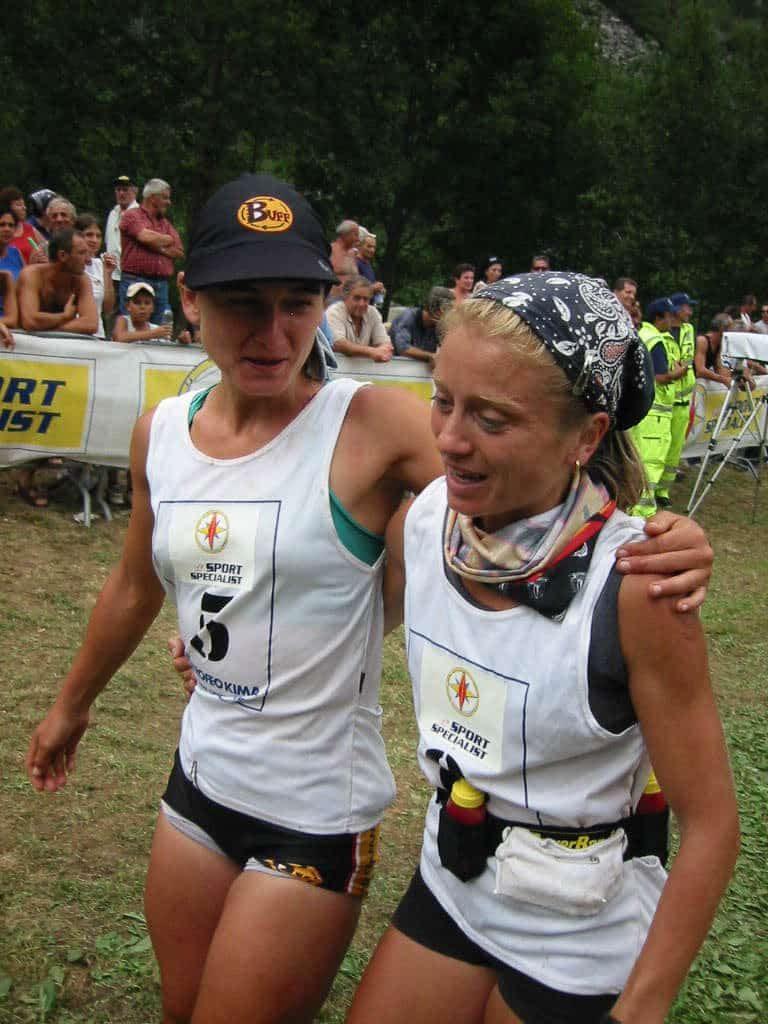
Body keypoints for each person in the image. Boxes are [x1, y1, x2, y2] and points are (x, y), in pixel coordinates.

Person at [26, 177, 711, 1024]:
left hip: (322, 812)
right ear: (189, 299)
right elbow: (143, 582)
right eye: (242, 302)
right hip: (219, 786)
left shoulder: (378, 428)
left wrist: (656, 534)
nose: (273, 331)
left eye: (300, 301)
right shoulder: (166, 433)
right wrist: (91, 698)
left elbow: (535, 476)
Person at [347, 272, 737, 1024]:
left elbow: (714, 824)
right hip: (455, 878)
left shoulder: (638, 586)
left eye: (491, 419)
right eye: (444, 400)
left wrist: (642, 1006)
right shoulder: (430, 518)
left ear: (585, 437)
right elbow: (373, 617)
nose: (450, 438)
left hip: (580, 927)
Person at [629, 298, 685, 516]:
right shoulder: (657, 340)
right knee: (650, 463)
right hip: (655, 416)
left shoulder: (642, 334)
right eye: (669, 315)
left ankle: (632, 504)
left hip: (643, 410)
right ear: (659, 317)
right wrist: (677, 373)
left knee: (636, 459)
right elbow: (661, 377)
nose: (673, 320)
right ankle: (642, 511)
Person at [119, 178, 184, 320]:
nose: (169, 202)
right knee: (131, 328)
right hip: (134, 281)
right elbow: (144, 237)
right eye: (165, 198)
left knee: (161, 332)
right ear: (153, 198)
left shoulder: (165, 223)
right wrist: (167, 239)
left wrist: (157, 247)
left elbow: (179, 250)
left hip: (161, 285)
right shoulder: (132, 215)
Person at [17, 228, 98, 335]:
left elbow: (90, 324)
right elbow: (30, 321)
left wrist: (46, 328)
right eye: (81, 253)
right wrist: (65, 317)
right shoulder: (32, 275)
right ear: (62, 255)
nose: (88, 260)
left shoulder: (81, 279)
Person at [658, 292, 697, 504]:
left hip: (683, 399)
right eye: (687, 307)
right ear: (677, 309)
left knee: (675, 448)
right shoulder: (660, 331)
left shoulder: (689, 329)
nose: (690, 311)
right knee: (658, 446)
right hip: (664, 400)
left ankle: (663, 490)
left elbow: (687, 359)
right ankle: (650, 486)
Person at [325, 274, 394, 360]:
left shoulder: (372, 312)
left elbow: (384, 342)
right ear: (345, 297)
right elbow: (338, 344)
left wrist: (384, 349)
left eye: (366, 299)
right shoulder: (334, 312)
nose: (362, 304)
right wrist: (372, 352)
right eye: (357, 298)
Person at [75, 213, 117, 338]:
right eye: (89, 235)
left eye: (98, 236)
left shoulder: (100, 264)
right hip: (72, 333)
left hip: (97, 335)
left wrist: (108, 273)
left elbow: (108, 309)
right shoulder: (68, 265)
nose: (94, 240)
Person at [389, 286, 454, 364]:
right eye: (446, 309)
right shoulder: (408, 317)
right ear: (436, 309)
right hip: (395, 368)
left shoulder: (439, 324)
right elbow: (403, 349)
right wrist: (430, 356)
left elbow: (450, 349)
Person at [104, 174, 139, 286]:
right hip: (111, 274)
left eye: (125, 190)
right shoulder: (113, 213)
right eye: (118, 190)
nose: (121, 193)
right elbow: (108, 242)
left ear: (134, 192)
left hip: (131, 276)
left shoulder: (139, 214)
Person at [0, 186, 48, 264]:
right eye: (19, 205)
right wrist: (31, 263)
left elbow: (48, 252)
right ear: (7, 207)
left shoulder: (30, 229)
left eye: (24, 204)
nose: (24, 208)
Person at [0, 205, 23, 326]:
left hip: (18, 321)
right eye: (2, 225)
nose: (7, 229)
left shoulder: (16, 253)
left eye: (11, 225)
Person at [694, 314, 732, 386]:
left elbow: (719, 369)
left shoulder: (719, 344)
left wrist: (733, 379)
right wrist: (724, 380)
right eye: (730, 328)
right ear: (722, 328)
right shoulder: (702, 341)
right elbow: (700, 371)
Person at [329, 218, 360, 297]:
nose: (358, 239)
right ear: (345, 234)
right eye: (355, 235)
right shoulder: (330, 250)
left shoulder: (353, 253)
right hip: (333, 299)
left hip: (350, 299)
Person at [356, 229, 385, 303]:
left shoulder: (368, 264)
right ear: (359, 246)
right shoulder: (355, 263)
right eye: (369, 246)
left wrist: (380, 289)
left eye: (374, 247)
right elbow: (353, 289)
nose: (372, 250)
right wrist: (373, 288)